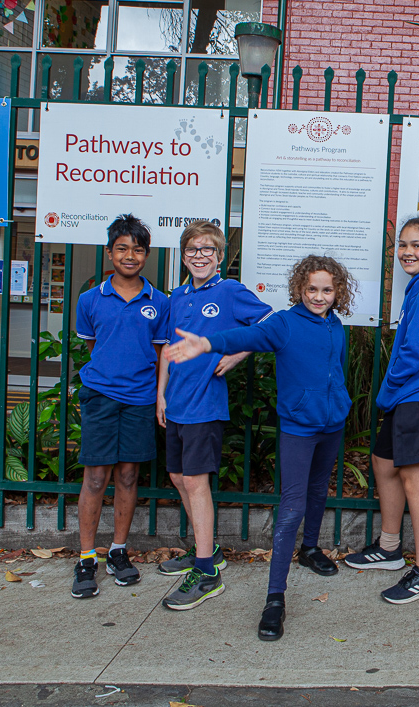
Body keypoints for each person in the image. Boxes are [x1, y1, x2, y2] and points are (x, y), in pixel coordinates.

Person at [165, 255, 357, 640]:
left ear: (338, 293)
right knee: (292, 506)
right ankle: (275, 598)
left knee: (319, 490)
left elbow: (335, 369)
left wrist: (342, 403)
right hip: (300, 428)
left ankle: (310, 548)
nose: (319, 297)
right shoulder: (285, 324)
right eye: (312, 289)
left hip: (332, 423)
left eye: (327, 290)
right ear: (300, 289)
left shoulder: (337, 326)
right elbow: (245, 337)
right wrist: (206, 343)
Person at [344, 215, 419, 604]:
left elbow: (417, 349)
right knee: (383, 463)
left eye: (417, 245)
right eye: (403, 245)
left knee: (416, 480)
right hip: (411, 394)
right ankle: (390, 547)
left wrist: (388, 389)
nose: (407, 252)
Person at [154, 221, 273, 611]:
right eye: (192, 250)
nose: (199, 256)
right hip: (177, 402)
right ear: (184, 256)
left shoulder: (230, 291)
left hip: (205, 403)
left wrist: (236, 354)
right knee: (177, 476)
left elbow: (269, 321)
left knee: (195, 480)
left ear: (220, 256)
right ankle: (207, 549)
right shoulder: (178, 295)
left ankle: (207, 572)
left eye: (207, 250)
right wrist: (161, 395)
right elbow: (170, 348)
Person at [71, 214, 170, 599]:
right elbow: (94, 345)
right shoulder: (90, 299)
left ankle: (118, 551)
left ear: (146, 255)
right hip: (101, 396)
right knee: (96, 477)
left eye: (138, 249)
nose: (130, 255)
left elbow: (159, 352)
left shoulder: (158, 301)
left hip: (140, 399)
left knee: (128, 475)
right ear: (110, 252)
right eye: (123, 248)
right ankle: (86, 558)